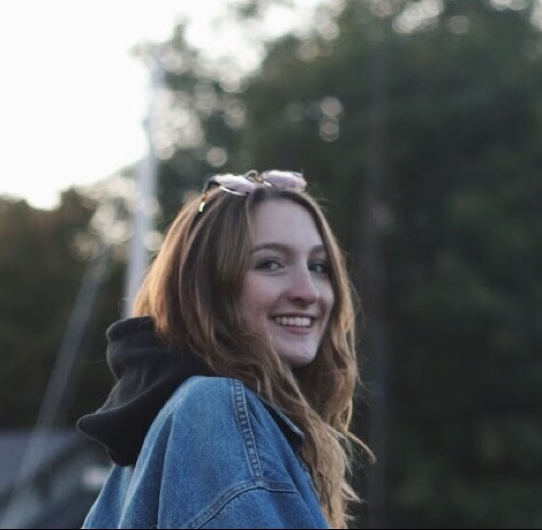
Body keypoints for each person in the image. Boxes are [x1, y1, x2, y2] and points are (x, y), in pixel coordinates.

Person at [77, 169, 367, 529]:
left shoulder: (169, 429)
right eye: (270, 264)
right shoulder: (212, 412)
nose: (308, 292)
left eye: (318, 266)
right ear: (206, 287)